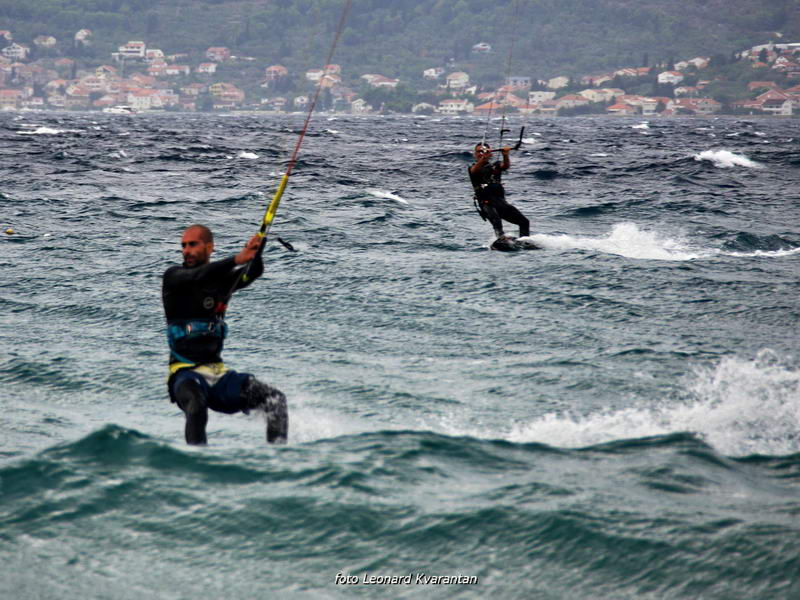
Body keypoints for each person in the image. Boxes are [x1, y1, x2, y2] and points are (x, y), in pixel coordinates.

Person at [162, 224, 288, 445]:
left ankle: (277, 460)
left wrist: (256, 252)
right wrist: (237, 259)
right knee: (196, 405)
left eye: (193, 244)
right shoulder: (174, 278)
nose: (186, 250)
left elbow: (252, 272)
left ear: (210, 247)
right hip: (183, 374)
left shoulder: (222, 282)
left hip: (217, 374)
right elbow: (198, 276)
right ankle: (198, 464)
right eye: (183, 245)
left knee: (275, 400)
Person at [468, 142, 530, 240]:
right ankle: (501, 239)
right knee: (496, 220)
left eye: (483, 151)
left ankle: (525, 241)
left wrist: (505, 155)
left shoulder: (495, 166)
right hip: (486, 204)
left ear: (490, 154)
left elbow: (505, 166)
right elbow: (475, 171)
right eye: (479, 152)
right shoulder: (472, 168)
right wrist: (484, 157)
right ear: (475, 154)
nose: (481, 154)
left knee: (524, 222)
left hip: (500, 202)